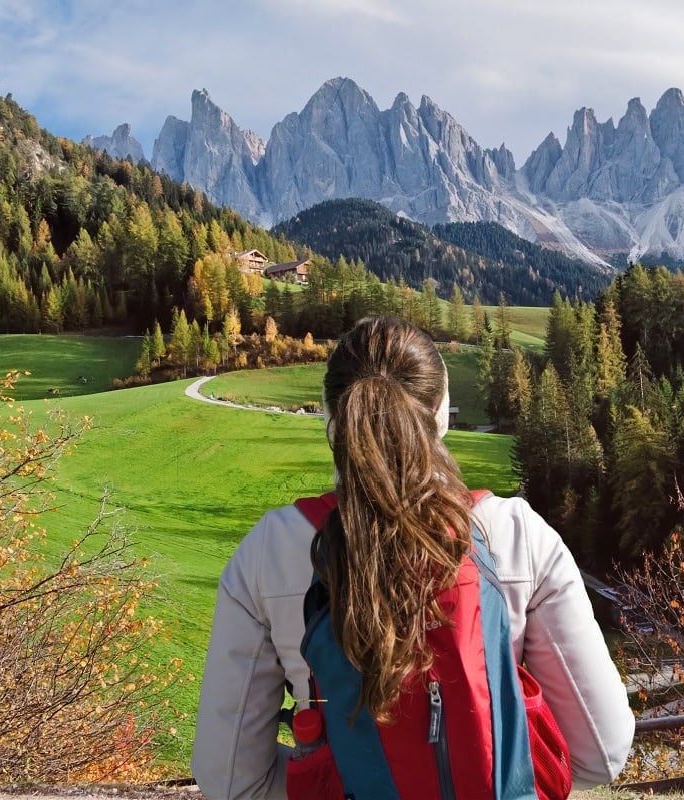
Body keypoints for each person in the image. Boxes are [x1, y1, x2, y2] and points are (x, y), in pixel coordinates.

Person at [192, 316, 635, 799]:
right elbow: (601, 751)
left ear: (330, 418)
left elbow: (230, 777)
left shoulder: (270, 549)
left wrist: (320, 774)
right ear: (441, 413)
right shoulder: (515, 533)